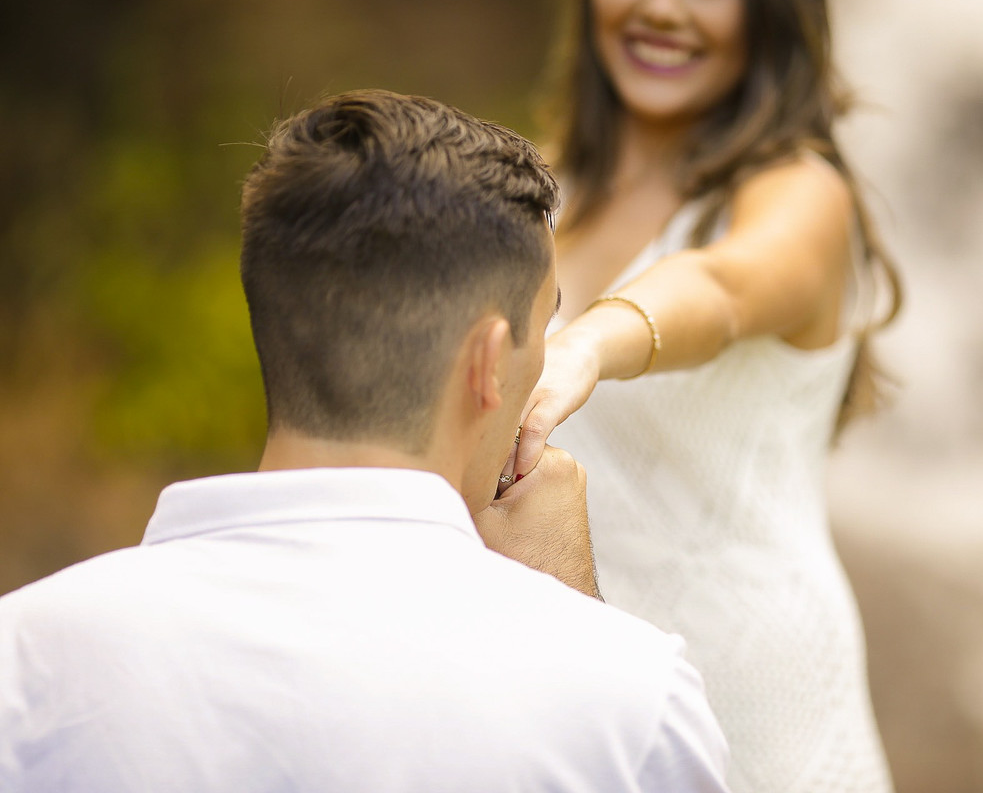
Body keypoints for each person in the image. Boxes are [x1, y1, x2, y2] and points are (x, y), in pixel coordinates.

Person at [0, 90, 731, 793]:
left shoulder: (24, 656)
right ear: (486, 363)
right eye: (545, 327)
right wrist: (568, 604)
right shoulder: (629, 696)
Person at [505, 0, 903, 791]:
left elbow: (722, 289)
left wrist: (586, 342)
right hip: (581, 667)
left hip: (745, 680)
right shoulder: (546, 181)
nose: (662, 9)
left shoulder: (801, 193)